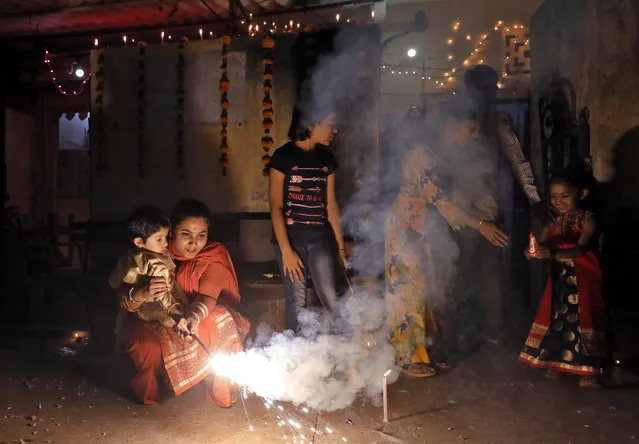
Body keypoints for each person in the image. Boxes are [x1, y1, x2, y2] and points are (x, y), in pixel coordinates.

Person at [385, 98, 509, 378]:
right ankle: (409, 356)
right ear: (452, 125)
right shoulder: (423, 155)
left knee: (434, 288)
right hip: (406, 227)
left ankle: (431, 349)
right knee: (411, 290)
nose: (476, 135)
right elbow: (440, 199)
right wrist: (480, 225)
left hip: (427, 226)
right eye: (472, 128)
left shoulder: (443, 153)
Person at [115, 199, 250, 406]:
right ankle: (151, 392)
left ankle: (220, 390)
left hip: (190, 316)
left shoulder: (213, 255)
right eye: (186, 234)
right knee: (145, 346)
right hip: (154, 317)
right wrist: (143, 293)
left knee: (223, 319)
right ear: (171, 233)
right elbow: (123, 297)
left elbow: (207, 297)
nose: (194, 244)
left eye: (201, 235)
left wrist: (190, 317)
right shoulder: (152, 251)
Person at [519, 176, 606, 388]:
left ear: (582, 194)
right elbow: (540, 243)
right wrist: (532, 251)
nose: (559, 201)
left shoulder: (588, 219)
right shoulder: (551, 221)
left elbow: (579, 250)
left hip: (583, 279)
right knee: (558, 319)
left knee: (584, 321)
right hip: (560, 280)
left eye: (565, 196)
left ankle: (589, 369)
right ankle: (557, 362)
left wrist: (552, 252)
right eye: (554, 197)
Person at [268, 107, 346, 332]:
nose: (335, 130)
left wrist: (340, 249)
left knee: (331, 299)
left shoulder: (327, 159)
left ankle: (340, 356)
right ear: (311, 125)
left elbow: (330, 206)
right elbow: (276, 206)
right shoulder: (283, 157)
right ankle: (296, 360)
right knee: (297, 303)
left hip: (320, 240)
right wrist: (286, 252)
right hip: (290, 241)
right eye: (330, 125)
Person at [109, 206, 188, 353]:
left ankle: (118, 340)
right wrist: (175, 313)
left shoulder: (128, 256)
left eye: (166, 237)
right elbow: (162, 292)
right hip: (157, 308)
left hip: (138, 308)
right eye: (159, 239)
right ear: (139, 242)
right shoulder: (154, 263)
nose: (165, 243)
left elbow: (113, 280)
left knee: (122, 317)